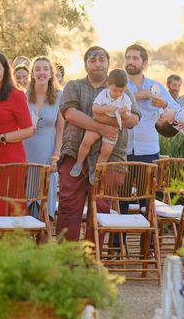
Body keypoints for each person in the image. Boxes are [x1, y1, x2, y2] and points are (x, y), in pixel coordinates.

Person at [57, 46, 140, 241]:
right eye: (92, 60)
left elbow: (133, 119)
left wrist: (104, 124)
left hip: (109, 156)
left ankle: (92, 261)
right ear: (85, 64)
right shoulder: (73, 86)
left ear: (108, 63)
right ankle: (65, 261)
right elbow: (70, 114)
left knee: (101, 207)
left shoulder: (122, 88)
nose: (97, 63)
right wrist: (102, 127)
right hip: (75, 151)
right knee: (68, 205)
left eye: (101, 59)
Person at [0, 51, 34, 215]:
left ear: (5, 71)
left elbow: (29, 130)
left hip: (11, 161)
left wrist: (0, 137)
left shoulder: (16, 95)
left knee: (10, 210)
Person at [70, 69, 132, 182]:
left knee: (106, 152)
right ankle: (79, 163)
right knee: (86, 142)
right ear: (108, 84)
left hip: (113, 129)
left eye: (121, 91)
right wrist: (109, 108)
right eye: (115, 90)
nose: (117, 94)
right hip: (98, 124)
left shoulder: (125, 99)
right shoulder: (103, 94)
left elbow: (128, 116)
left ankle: (97, 172)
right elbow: (95, 109)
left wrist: (124, 113)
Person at [124, 44, 179, 165]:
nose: (130, 61)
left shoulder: (156, 86)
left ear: (145, 63)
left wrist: (164, 104)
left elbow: (177, 110)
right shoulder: (118, 86)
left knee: (147, 184)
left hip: (148, 149)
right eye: (127, 58)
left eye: (135, 58)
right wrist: (140, 95)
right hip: (122, 150)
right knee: (121, 185)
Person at [23, 56, 63, 220]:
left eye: (45, 69)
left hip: (47, 154)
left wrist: (56, 156)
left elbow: (61, 129)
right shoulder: (22, 97)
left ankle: (43, 244)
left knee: (45, 212)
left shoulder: (59, 96)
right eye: (37, 69)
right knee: (24, 207)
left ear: (51, 73)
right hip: (25, 154)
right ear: (32, 74)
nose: (42, 72)